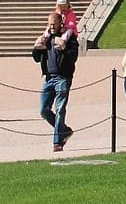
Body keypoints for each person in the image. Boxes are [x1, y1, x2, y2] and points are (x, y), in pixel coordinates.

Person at [33, 13, 78, 151]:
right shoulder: (46, 38)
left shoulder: (70, 38)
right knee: (43, 110)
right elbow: (36, 58)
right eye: (50, 24)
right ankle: (64, 131)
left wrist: (64, 47)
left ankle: (57, 142)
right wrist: (36, 47)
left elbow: (73, 57)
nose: (52, 26)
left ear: (60, 23)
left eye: (54, 23)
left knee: (60, 109)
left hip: (63, 78)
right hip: (48, 78)